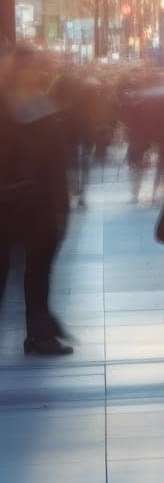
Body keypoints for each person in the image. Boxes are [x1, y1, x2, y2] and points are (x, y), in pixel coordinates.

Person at [0, 45, 74, 355]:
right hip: (19, 203)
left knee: (37, 271)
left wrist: (61, 202)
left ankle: (39, 333)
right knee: (22, 271)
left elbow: (57, 161)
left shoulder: (41, 106)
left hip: (35, 203)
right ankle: (39, 333)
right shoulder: (33, 108)